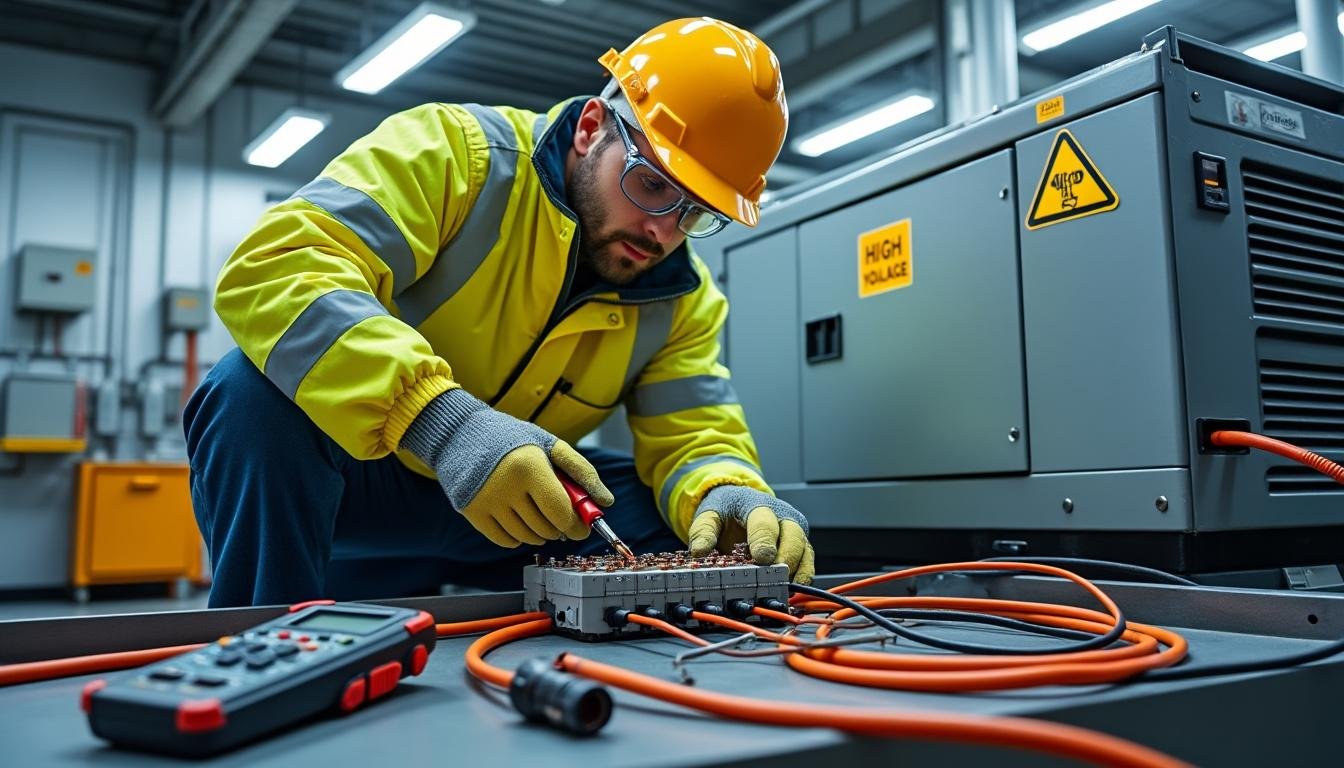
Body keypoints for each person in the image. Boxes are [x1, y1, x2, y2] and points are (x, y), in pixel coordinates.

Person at [184, 16, 814, 608]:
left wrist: (724, 493)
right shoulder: (457, 154)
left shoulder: (683, 298)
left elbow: (693, 432)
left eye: (696, 213)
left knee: (679, 521)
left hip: (517, 511)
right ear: (593, 126)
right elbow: (276, 265)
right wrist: (445, 426)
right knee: (246, 394)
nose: (660, 230)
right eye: (651, 184)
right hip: (359, 484)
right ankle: (259, 648)